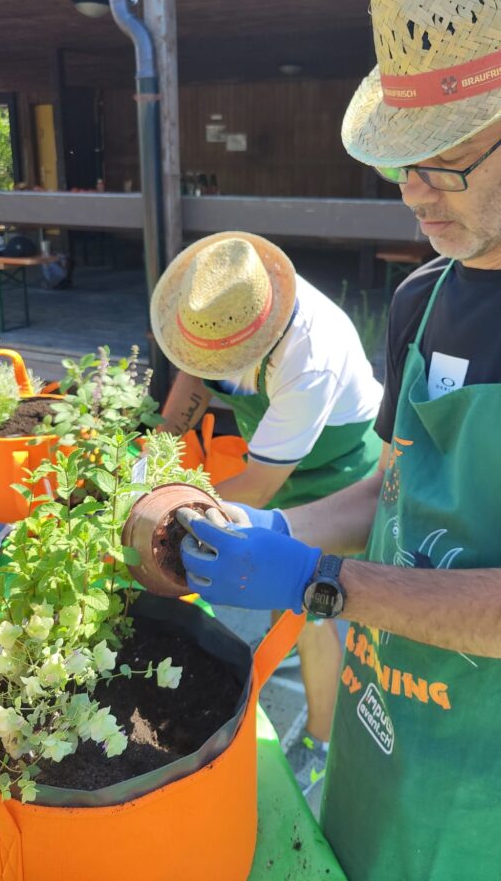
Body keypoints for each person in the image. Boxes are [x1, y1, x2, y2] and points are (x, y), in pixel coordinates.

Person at [178, 0, 501, 881]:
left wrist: (317, 583)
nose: (415, 196)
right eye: (402, 162)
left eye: (447, 163)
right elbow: (388, 490)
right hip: (386, 738)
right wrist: (248, 531)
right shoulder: (419, 294)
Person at [149, 230, 383, 791]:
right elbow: (194, 376)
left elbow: (256, 485)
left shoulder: (309, 358)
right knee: (284, 604)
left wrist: (162, 504)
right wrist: (156, 450)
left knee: (308, 605)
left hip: (338, 474)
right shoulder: (222, 311)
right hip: (277, 464)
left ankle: (321, 742)